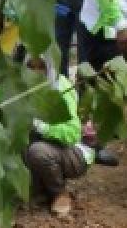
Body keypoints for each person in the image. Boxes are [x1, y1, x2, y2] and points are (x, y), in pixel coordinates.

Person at [15, 60, 92, 215]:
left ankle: (59, 193)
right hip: (44, 146)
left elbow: (72, 133)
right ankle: (38, 190)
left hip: (71, 151)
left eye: (41, 66)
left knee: (39, 151)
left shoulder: (60, 87)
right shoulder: (21, 85)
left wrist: (42, 127)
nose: (36, 72)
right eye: (31, 66)